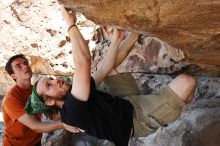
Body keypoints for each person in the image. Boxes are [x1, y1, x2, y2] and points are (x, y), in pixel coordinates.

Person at [25, 7, 196, 146]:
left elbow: (105, 67)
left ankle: (132, 35)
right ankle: (168, 109)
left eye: (51, 80)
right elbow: (83, 61)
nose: (55, 81)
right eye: (49, 86)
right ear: (48, 101)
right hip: (137, 120)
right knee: (187, 81)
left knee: (104, 68)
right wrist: (71, 24)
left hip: (124, 102)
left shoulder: (73, 94)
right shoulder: (72, 112)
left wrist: (117, 38)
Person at [1, 54, 75, 146]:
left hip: (36, 141)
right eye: (18, 66)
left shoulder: (36, 91)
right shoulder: (11, 99)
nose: (25, 66)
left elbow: (51, 116)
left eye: (25, 63)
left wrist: (72, 104)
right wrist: (64, 124)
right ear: (14, 76)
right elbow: (34, 125)